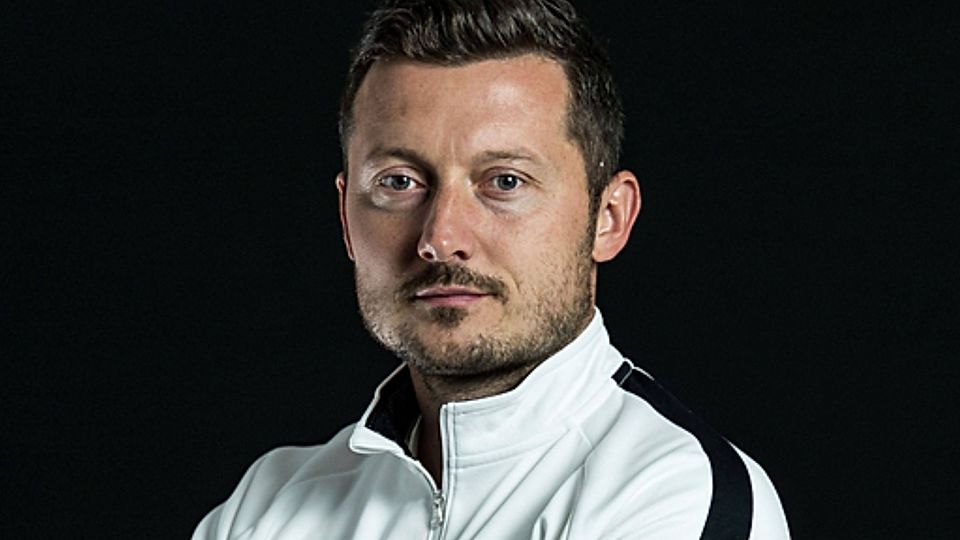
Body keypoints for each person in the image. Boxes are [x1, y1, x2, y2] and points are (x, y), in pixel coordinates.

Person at [193, 0, 790, 538]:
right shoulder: (268, 505)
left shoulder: (677, 494)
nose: (441, 239)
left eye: (504, 181)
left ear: (608, 218)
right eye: (399, 182)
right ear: (347, 219)